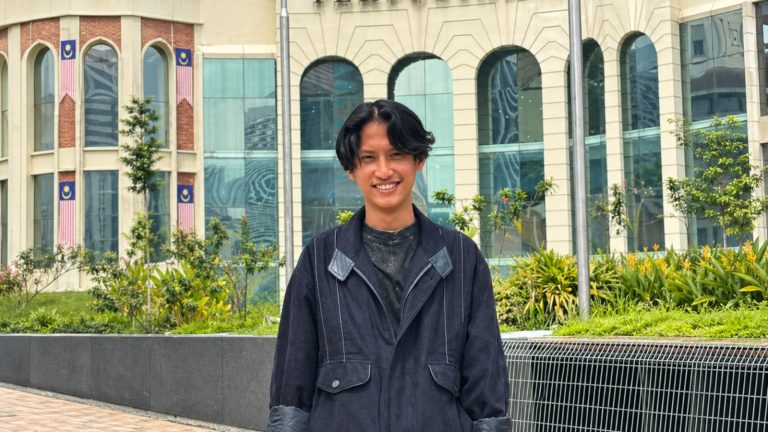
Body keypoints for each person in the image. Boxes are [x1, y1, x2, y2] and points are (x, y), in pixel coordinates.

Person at [267, 99, 510, 432]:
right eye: (369, 158)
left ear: (418, 160)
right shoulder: (320, 259)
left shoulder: (461, 258)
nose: (384, 171)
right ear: (351, 168)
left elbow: (487, 380)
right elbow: (291, 381)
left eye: (396, 154)